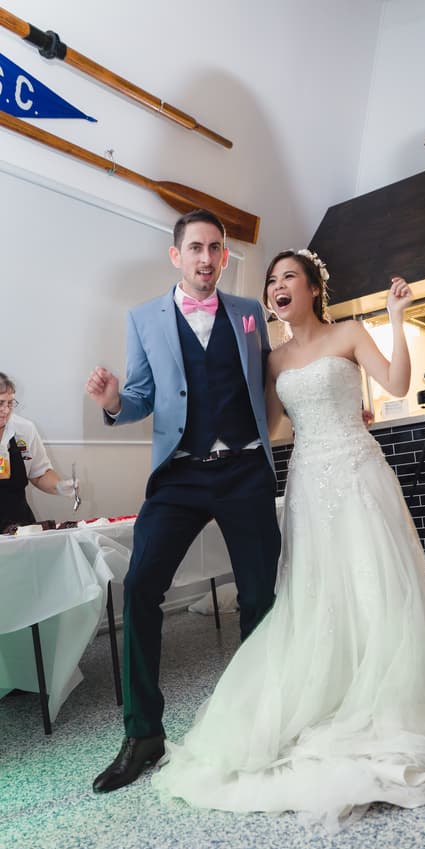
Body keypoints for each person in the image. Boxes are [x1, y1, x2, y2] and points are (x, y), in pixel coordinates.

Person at [152, 250, 425, 832]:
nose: (278, 287)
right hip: (308, 481)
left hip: (359, 473)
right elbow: (271, 428)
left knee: (377, 582)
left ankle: (389, 695)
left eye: (288, 278)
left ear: (312, 289)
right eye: (272, 281)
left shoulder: (350, 332)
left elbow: (399, 382)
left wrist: (397, 317)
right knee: (318, 592)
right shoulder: (272, 358)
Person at [86, 209, 281, 793]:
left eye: (215, 249)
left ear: (225, 256)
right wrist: (117, 400)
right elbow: (143, 395)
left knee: (259, 598)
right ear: (176, 255)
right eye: (195, 247)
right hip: (180, 474)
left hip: (246, 468)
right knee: (141, 586)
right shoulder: (143, 318)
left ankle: (262, 721)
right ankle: (144, 733)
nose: (206, 258)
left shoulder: (249, 315)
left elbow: (268, 384)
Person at [0, 372, 78, 532]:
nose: (6, 410)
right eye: (0, 403)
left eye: (10, 403)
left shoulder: (24, 430)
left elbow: (39, 474)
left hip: (19, 526)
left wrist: (60, 486)